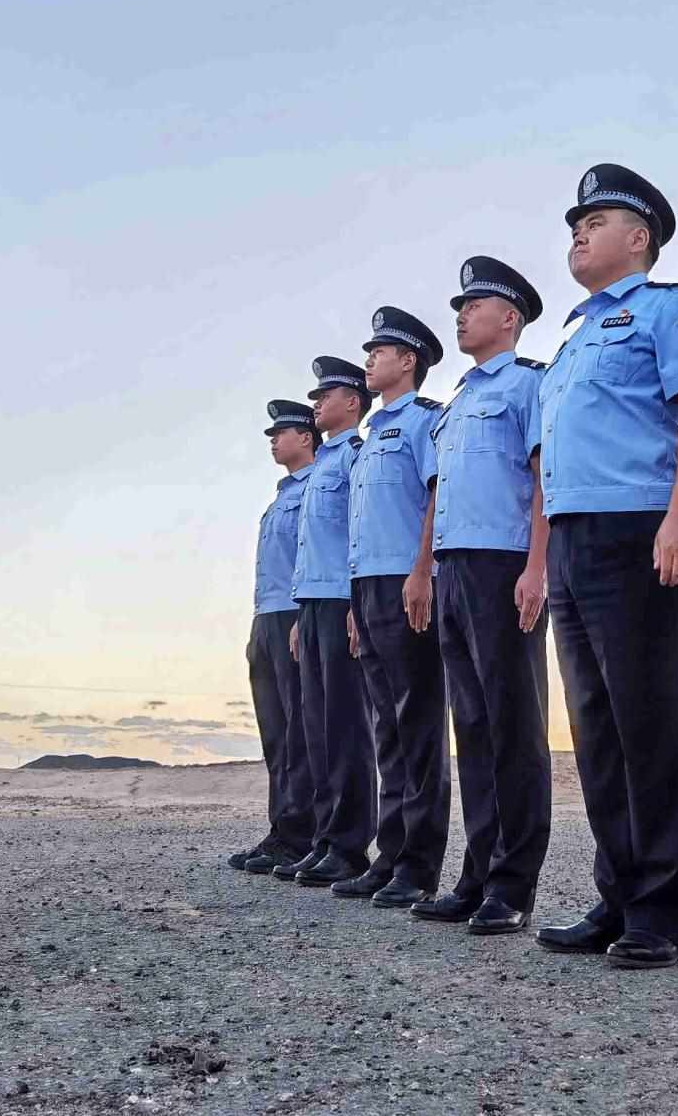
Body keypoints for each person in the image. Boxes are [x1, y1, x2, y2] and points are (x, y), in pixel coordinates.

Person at [531, 164, 678, 970]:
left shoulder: (665, 310)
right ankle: (620, 894)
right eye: (575, 224)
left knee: (652, 724)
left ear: (638, 238)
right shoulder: (570, 340)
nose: (578, 232)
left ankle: (665, 910)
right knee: (598, 730)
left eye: (594, 221)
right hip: (573, 539)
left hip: (640, 527)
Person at [410, 257, 551, 936]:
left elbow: (543, 476)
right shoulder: (458, 400)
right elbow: (439, 499)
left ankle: (512, 883)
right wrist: (426, 571)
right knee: (472, 728)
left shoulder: (528, 384)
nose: (462, 315)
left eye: (475, 305)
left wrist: (538, 566)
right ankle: (476, 874)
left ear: (510, 318)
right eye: (460, 307)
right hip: (453, 571)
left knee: (513, 726)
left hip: (504, 566)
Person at [337, 307, 451, 908]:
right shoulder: (369, 439)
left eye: (378, 352)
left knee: (419, 726)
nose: (369, 360)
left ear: (408, 361)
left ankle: (419, 865)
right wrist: (354, 601)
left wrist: (422, 570)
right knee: (387, 727)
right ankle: (390, 855)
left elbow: (435, 496)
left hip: (407, 582)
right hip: (368, 587)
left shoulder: (422, 422)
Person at [277, 357, 377, 889]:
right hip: (313, 603)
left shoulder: (356, 455)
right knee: (317, 727)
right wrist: (300, 612)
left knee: (346, 726)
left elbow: (361, 529)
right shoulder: (322, 465)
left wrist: (358, 603)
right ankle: (324, 839)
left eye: (326, 396)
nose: (316, 403)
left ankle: (350, 845)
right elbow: (310, 546)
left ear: (352, 403)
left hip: (341, 600)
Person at [229, 400, 320, 875]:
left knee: (300, 730)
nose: (273, 441)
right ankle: (281, 831)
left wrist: (304, 615)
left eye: (280, 433)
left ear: (305, 437)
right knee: (276, 733)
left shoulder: (317, 487)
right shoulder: (280, 497)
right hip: (266, 616)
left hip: (296, 613)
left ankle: (302, 834)